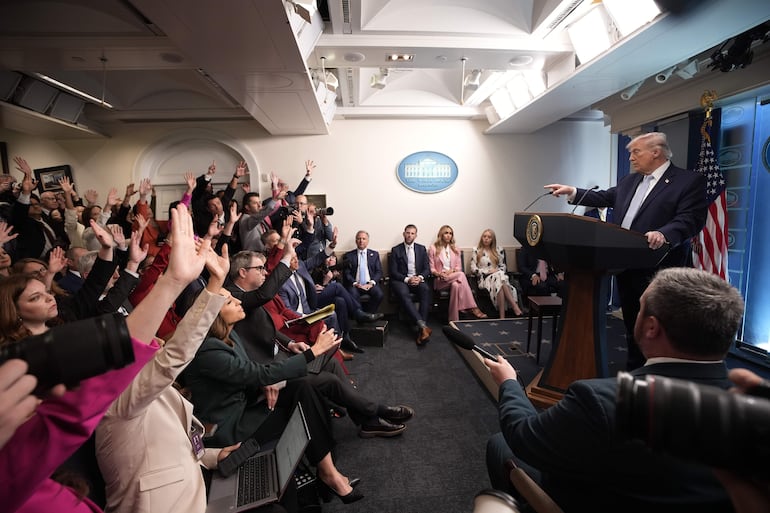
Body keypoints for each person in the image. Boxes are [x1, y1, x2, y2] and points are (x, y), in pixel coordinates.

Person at [485, 267, 744, 513]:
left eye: (640, 306)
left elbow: (523, 436)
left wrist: (509, 383)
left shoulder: (600, 401)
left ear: (651, 327)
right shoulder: (753, 406)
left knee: (500, 444)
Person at [95, 207, 241, 513]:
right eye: (150, 343)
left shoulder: (144, 390)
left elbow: (172, 445)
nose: (158, 343)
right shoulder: (118, 401)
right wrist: (202, 284)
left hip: (198, 490)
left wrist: (213, 457)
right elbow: (176, 354)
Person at [183, 287, 364, 503]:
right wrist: (312, 352)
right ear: (213, 315)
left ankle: (328, 472)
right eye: (230, 302)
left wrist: (262, 384)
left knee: (303, 388)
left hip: (244, 406)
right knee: (306, 402)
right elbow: (256, 372)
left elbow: (246, 372)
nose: (239, 302)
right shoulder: (208, 350)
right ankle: (328, 473)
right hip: (232, 430)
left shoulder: (228, 334)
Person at [544, 132, 708, 369]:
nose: (631, 157)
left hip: (659, 269)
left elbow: (690, 219)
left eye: (636, 152)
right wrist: (573, 191)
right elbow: (605, 197)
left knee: (659, 328)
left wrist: (664, 234)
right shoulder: (628, 181)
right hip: (626, 266)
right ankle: (635, 371)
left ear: (656, 152)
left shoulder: (688, 181)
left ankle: (659, 376)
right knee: (633, 326)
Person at [427, 225, 486, 321]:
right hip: (440, 280)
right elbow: (432, 268)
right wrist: (439, 274)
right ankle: (473, 307)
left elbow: (458, 267)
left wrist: (451, 271)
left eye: (450, 233)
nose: (448, 235)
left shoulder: (455, 249)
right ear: (441, 234)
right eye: (446, 233)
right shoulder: (433, 248)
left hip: (453, 277)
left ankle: (454, 319)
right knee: (461, 274)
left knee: (456, 285)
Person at [389, 224, 433, 345]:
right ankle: (423, 327)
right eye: (407, 233)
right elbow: (393, 272)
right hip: (402, 280)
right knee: (403, 293)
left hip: (417, 279)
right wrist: (408, 279)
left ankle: (421, 328)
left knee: (425, 290)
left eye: (412, 233)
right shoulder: (396, 250)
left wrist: (419, 277)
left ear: (416, 235)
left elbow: (426, 269)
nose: (409, 235)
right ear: (404, 234)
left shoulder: (421, 249)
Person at [471, 229, 523, 318]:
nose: (486, 239)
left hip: (499, 278)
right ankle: (515, 306)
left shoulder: (499, 250)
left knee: (499, 279)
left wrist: (497, 271)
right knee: (500, 277)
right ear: (482, 238)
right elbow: (473, 268)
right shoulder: (476, 250)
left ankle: (502, 316)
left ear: (492, 239)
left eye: (489, 237)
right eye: (484, 236)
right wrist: (488, 272)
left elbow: (503, 267)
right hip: (485, 279)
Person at [342, 230, 384, 314]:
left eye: (364, 239)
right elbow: (346, 273)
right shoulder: (348, 255)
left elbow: (379, 271)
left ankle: (369, 314)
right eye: (359, 238)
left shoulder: (374, 254)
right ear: (356, 241)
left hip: (370, 284)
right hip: (355, 285)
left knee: (379, 294)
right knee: (352, 294)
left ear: (368, 241)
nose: (361, 241)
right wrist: (355, 283)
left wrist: (371, 283)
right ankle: (360, 314)